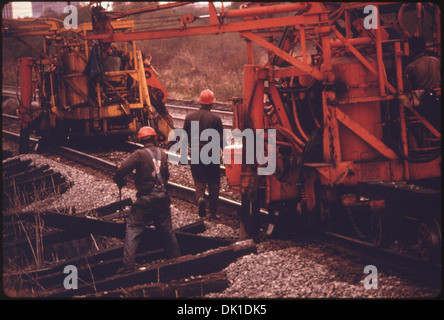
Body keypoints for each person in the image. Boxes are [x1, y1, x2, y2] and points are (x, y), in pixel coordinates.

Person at [113, 126, 181, 273]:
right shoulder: (162, 154)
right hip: (163, 197)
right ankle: (176, 259)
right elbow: (166, 176)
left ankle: (127, 266)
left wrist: (119, 180)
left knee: (133, 229)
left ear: (141, 140)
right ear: (155, 138)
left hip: (145, 200)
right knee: (167, 230)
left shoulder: (138, 154)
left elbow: (121, 171)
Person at [183, 89, 224, 220]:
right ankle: (212, 212)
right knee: (214, 183)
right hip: (211, 153)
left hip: (196, 153)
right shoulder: (216, 118)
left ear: (200, 102)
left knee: (199, 180)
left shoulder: (189, 117)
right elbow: (221, 139)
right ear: (212, 104)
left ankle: (200, 198)